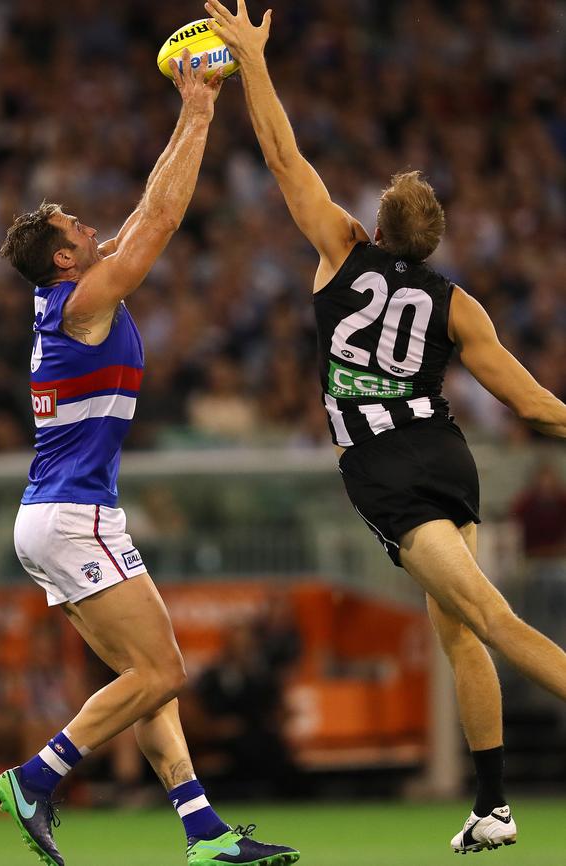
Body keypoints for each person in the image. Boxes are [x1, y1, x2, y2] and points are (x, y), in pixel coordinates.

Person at [204, 0, 566, 855]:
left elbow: (282, 155)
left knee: (491, 619)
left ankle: (496, 800)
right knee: (457, 628)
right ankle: (492, 805)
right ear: (434, 242)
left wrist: (252, 59)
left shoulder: (339, 248)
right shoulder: (458, 304)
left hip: (386, 469)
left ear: (376, 223)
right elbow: (532, 405)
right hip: (447, 454)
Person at [0, 49, 299, 866]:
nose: (92, 230)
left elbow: (142, 211)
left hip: (57, 515)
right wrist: (201, 113)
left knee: (144, 676)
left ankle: (201, 831)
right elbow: (160, 223)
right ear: (63, 259)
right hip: (72, 517)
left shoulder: (71, 296)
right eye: (76, 232)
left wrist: (185, 107)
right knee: (162, 669)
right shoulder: (88, 299)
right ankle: (35, 778)